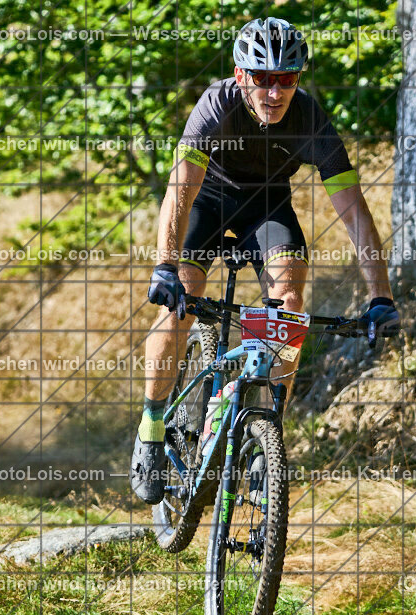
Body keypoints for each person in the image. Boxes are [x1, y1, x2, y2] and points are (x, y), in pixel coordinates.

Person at [130, 18, 400, 504]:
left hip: (268, 208)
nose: (274, 92)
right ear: (241, 76)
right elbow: (180, 189)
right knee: (181, 302)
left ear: (298, 78)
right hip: (207, 202)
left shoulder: (311, 120)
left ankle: (262, 433)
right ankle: (151, 427)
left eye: (286, 79)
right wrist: (166, 265)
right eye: (262, 78)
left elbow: (354, 211)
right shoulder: (216, 106)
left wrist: (380, 294)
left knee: (289, 301)